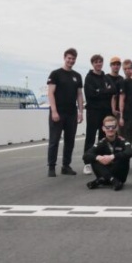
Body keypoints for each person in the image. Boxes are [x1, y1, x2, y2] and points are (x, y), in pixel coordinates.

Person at [46, 48, 84, 177]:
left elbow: (79, 95)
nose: (71, 61)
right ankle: (51, 167)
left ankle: (66, 166)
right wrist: (54, 111)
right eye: (69, 58)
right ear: (64, 58)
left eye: (73, 59)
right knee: (54, 141)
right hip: (58, 112)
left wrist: (80, 112)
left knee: (70, 141)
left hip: (71, 113)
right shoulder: (56, 74)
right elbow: (50, 93)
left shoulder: (77, 76)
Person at [82, 54, 117, 175]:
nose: (98, 64)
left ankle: (103, 160)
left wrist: (99, 91)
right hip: (93, 111)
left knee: (104, 137)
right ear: (93, 63)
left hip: (105, 111)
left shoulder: (106, 77)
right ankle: (87, 163)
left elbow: (113, 89)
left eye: (100, 62)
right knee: (90, 137)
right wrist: (104, 91)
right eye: (96, 62)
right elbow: (90, 94)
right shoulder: (89, 78)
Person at [82, 116, 132, 191]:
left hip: (120, 175)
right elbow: (86, 155)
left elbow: (130, 152)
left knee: (123, 157)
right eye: (108, 127)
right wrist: (99, 158)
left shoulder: (122, 141)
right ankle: (110, 180)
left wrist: (112, 157)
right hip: (109, 174)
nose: (110, 129)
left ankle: (102, 179)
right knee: (94, 158)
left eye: (113, 127)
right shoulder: (101, 143)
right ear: (103, 128)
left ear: (117, 128)